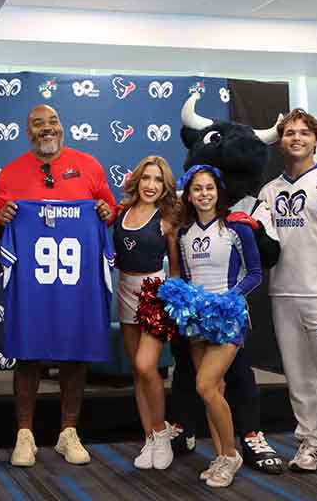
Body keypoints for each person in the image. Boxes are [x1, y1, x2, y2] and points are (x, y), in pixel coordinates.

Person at [0, 104, 114, 467]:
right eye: (38, 124)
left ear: (62, 127)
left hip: (75, 284)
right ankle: (25, 433)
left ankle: (68, 431)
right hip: (33, 285)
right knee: (27, 354)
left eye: (53, 122)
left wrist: (107, 212)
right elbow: (0, 223)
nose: (47, 128)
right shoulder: (11, 173)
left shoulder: (88, 165)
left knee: (74, 354)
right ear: (27, 131)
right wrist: (4, 218)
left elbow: (107, 207)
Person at [259, 109, 317, 480]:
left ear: (315, 139)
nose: (295, 138)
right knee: (298, 375)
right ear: (281, 141)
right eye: (288, 133)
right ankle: (310, 441)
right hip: (283, 293)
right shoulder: (269, 191)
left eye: (303, 132)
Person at [176, 165, 262, 488]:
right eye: (197, 189)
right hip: (198, 321)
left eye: (209, 188)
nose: (204, 194)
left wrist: (229, 297)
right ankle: (221, 454)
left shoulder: (237, 229)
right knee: (215, 391)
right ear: (190, 194)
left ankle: (231, 455)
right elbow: (186, 277)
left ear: (219, 191)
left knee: (204, 385)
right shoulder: (185, 235)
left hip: (229, 317)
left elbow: (255, 273)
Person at [112, 156, 180, 470]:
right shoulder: (121, 213)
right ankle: (149, 439)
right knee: (137, 371)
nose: (151, 186)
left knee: (147, 365)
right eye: (147, 178)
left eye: (158, 181)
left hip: (154, 292)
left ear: (165, 187)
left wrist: (172, 299)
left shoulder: (167, 218)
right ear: (137, 180)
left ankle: (161, 432)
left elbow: (176, 270)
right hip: (125, 290)